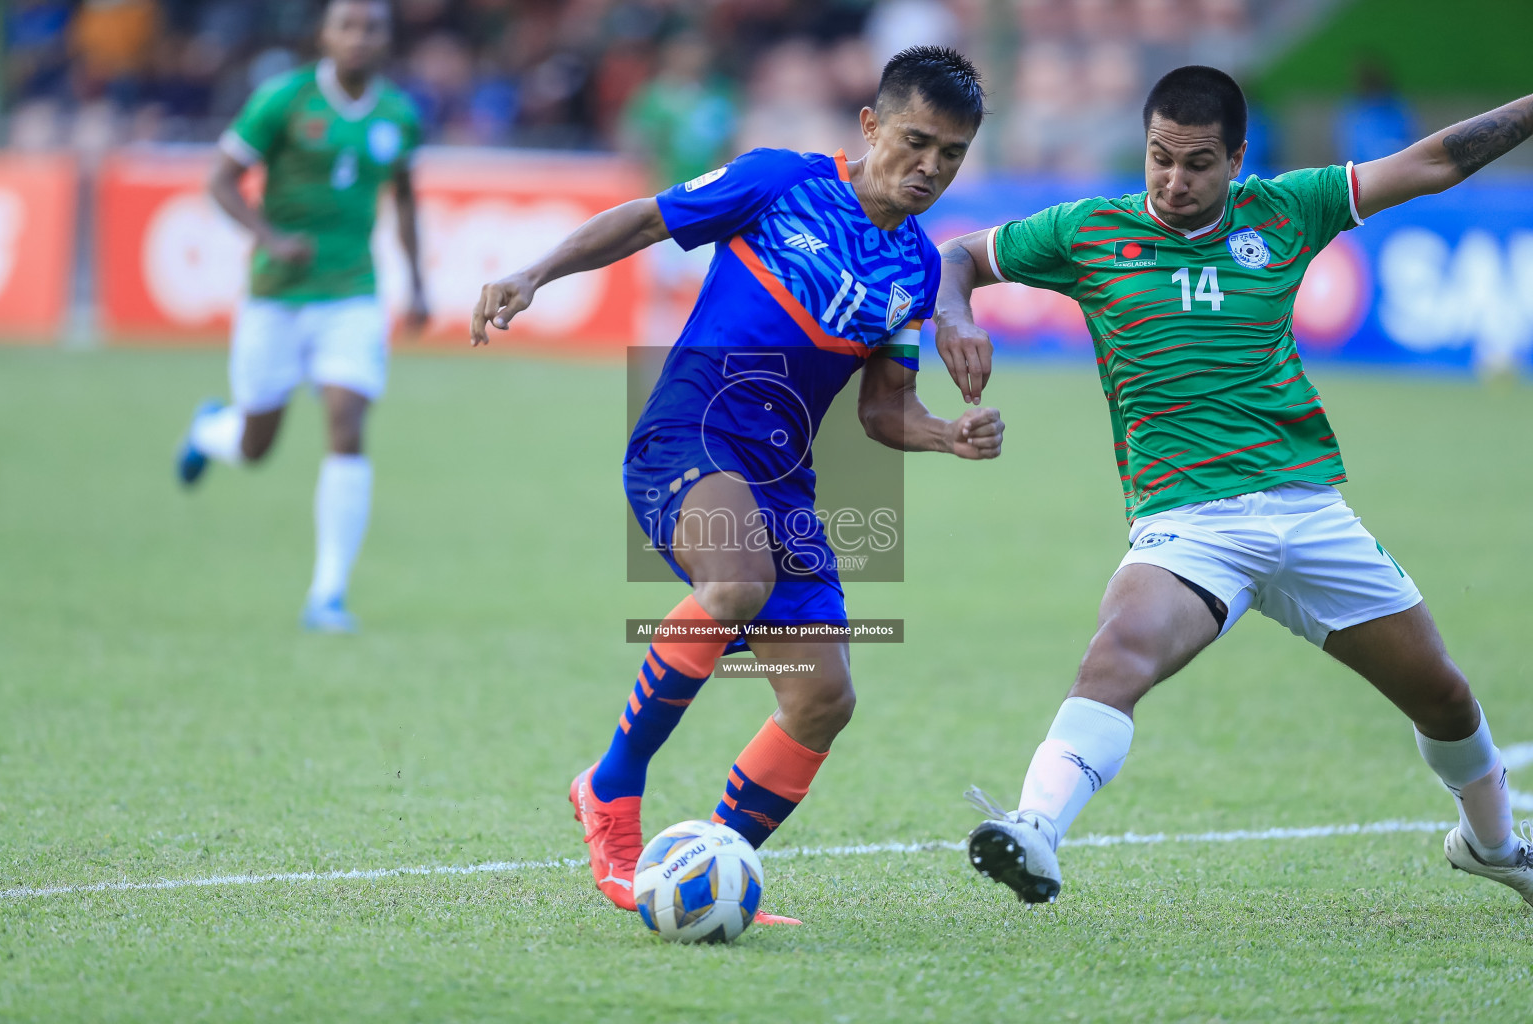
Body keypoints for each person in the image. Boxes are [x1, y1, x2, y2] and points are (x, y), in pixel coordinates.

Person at [937, 65, 1533, 907]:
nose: (1175, 181)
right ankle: (1036, 826)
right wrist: (956, 316)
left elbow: (1436, 160)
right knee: (1118, 653)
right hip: (1188, 525)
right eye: (1159, 158)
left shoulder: (1289, 209)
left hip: (1311, 510)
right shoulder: (1086, 230)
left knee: (1443, 694)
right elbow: (957, 255)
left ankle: (1494, 845)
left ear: (1238, 159)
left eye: (1198, 163)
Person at [471, 46, 1001, 924]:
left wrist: (947, 434)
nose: (930, 167)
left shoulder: (912, 272)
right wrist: (537, 271)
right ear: (870, 125)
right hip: (689, 434)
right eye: (916, 140)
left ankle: (707, 866)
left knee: (823, 700)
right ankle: (610, 789)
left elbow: (883, 411)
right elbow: (647, 221)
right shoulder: (778, 181)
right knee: (737, 582)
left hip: (782, 481)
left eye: (952, 154)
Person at [175, 0, 427, 633]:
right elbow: (221, 180)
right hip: (277, 295)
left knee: (346, 420)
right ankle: (211, 432)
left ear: (386, 41)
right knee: (256, 444)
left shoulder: (398, 114)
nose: (360, 38)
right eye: (348, 26)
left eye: (373, 28)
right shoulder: (283, 100)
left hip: (352, 293)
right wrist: (269, 237)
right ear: (325, 34)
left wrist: (418, 284)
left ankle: (328, 594)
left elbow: (404, 199)